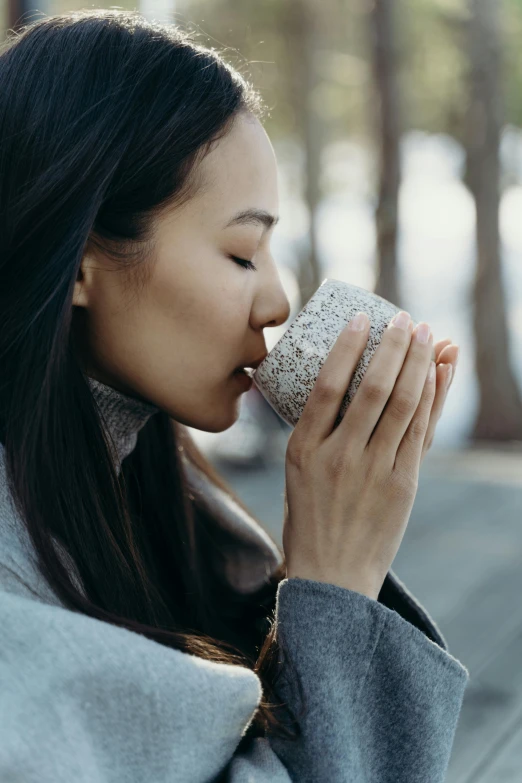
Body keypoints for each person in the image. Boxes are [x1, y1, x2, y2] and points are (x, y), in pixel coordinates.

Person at [0, 9, 467, 782]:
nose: (279, 300)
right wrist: (335, 583)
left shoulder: (155, 499)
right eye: (242, 252)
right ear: (80, 263)